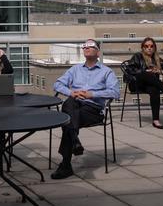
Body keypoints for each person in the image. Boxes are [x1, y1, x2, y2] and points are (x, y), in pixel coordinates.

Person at [50, 39, 119, 180]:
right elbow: (57, 84)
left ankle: (66, 164)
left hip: (92, 109)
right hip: (74, 104)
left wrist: (92, 94)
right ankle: (74, 141)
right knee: (70, 103)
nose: (86, 48)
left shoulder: (107, 72)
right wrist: (71, 93)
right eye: (84, 46)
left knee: (68, 119)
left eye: (91, 46)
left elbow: (115, 92)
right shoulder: (75, 69)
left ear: (98, 52)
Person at [124, 37, 163, 129]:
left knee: (155, 90)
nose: (149, 48)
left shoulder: (157, 59)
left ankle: (156, 120)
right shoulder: (138, 56)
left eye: (151, 46)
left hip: (150, 85)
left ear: (154, 48)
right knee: (146, 73)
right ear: (143, 48)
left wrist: (159, 71)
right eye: (146, 46)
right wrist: (145, 71)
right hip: (136, 84)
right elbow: (129, 69)